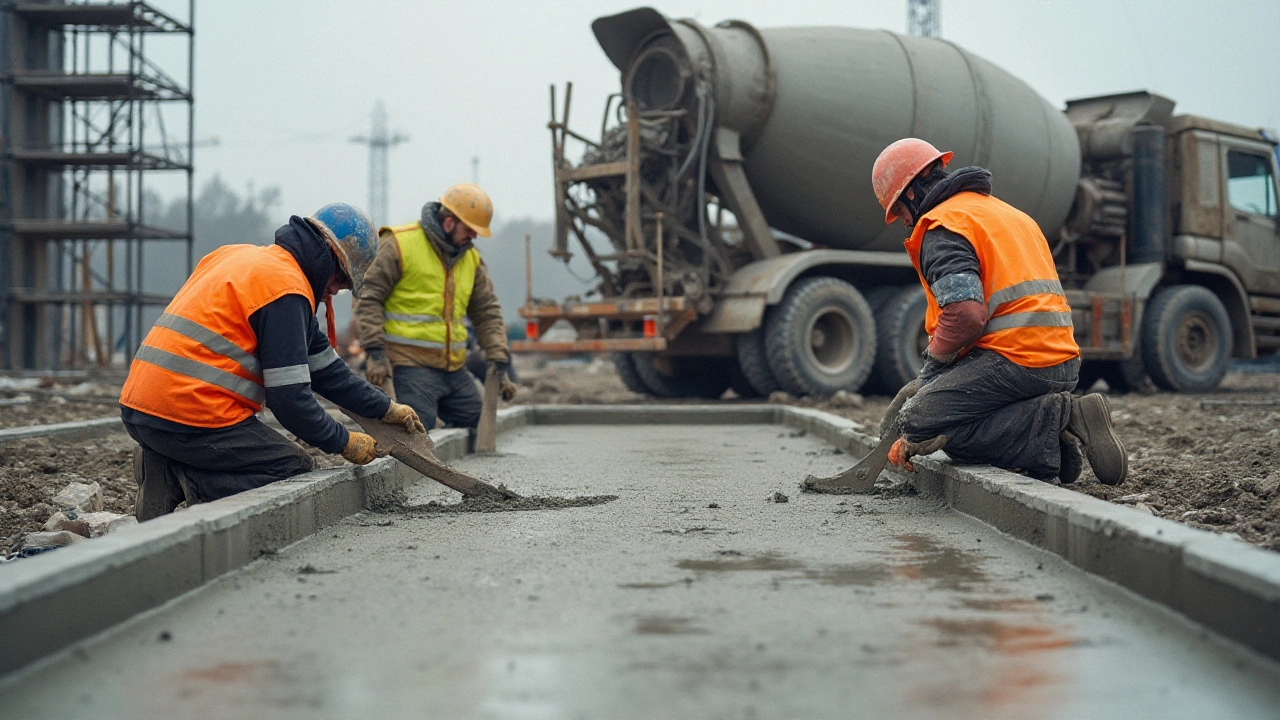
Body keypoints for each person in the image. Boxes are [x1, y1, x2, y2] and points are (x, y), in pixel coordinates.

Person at [119, 203, 427, 521]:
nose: (335, 290)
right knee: (289, 467)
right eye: (340, 279)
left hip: (140, 410)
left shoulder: (244, 260)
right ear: (328, 257)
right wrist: (343, 440)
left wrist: (385, 408)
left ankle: (164, 459)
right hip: (187, 417)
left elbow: (329, 373)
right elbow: (290, 402)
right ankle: (178, 477)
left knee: (274, 455)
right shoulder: (286, 292)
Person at [870, 138, 1127, 485]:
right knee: (947, 414)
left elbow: (966, 315)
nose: (903, 222)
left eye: (898, 211)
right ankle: (1054, 447)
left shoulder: (943, 225)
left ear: (912, 194)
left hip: (1016, 359)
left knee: (922, 421)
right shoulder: (1008, 213)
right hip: (1062, 361)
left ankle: (1063, 417)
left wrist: (932, 371)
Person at [357, 184, 516, 430]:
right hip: (409, 367)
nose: (473, 237)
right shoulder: (400, 244)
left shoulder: (470, 258)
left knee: (480, 424)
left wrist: (499, 361)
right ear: (449, 222)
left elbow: (487, 313)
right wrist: (375, 353)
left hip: (453, 368)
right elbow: (367, 296)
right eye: (470, 230)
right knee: (416, 430)